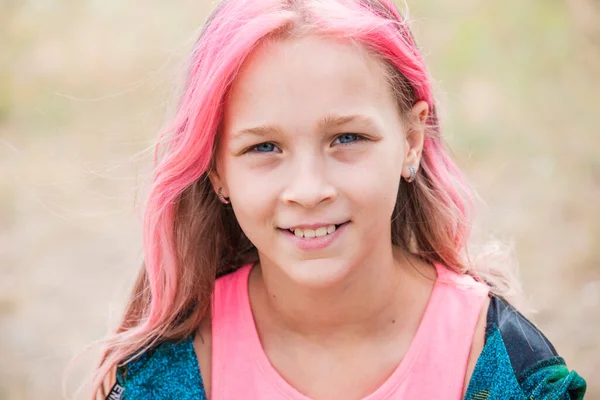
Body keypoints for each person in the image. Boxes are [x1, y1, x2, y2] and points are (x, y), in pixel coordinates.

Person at [93, 0, 587, 398]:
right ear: (217, 170)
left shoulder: (498, 363)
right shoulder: (174, 370)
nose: (309, 190)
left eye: (347, 138)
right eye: (264, 147)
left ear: (411, 140)